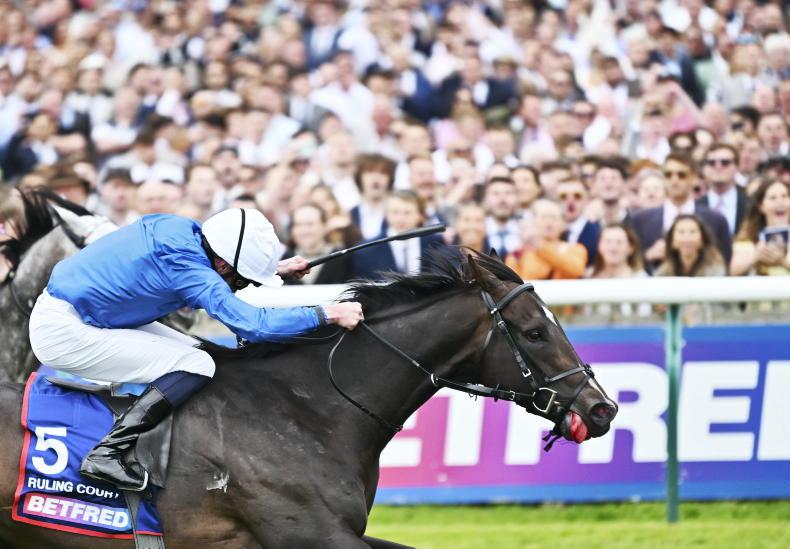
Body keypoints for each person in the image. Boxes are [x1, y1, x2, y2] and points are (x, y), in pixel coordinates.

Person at [28, 208, 364, 491]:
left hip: (87, 313)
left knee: (206, 356)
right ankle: (106, 454)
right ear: (223, 266)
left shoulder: (183, 229)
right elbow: (253, 325)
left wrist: (270, 270)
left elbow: (207, 268)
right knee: (196, 366)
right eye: (241, 280)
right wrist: (327, 313)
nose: (240, 287)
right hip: (65, 331)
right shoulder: (190, 269)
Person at [631, 152, 731, 272]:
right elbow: (629, 262)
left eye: (681, 175)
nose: (674, 180)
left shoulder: (715, 220)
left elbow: (725, 261)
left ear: (693, 178)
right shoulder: (640, 220)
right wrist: (648, 256)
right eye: (668, 175)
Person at [351, 190, 445, 281]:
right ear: (386, 214)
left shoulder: (435, 244)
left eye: (407, 213)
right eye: (395, 212)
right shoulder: (367, 250)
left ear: (420, 215)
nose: (400, 219)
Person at [506, 199, 587, 280]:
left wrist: (540, 246)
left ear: (563, 224)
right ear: (533, 222)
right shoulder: (520, 253)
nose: (549, 223)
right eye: (544, 217)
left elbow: (577, 270)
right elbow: (512, 281)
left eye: (554, 218)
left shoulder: (575, 248)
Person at [730, 179, 790, 276]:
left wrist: (782, 261)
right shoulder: (747, 240)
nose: (780, 202)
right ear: (761, 206)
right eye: (773, 198)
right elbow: (731, 272)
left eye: (784, 196)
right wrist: (756, 256)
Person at [282, 203, 352, 285]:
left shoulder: (341, 259)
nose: (304, 230)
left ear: (324, 226)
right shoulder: (285, 260)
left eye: (310, 224)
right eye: (298, 224)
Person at [655, 214, 726, 277]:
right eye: (681, 232)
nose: (687, 238)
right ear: (672, 240)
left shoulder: (715, 273)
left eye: (692, 232)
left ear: (702, 239)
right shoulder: (663, 274)